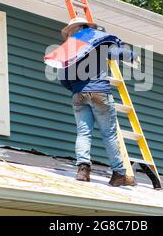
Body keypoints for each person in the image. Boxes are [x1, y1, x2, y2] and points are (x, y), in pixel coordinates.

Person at [58, 17, 140, 187]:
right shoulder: (96, 42)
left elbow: (63, 79)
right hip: (100, 92)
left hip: (78, 94)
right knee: (109, 134)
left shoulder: (68, 50)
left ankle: (83, 169)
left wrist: (77, 88)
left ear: (71, 31)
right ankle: (119, 174)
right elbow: (117, 54)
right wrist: (132, 55)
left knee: (83, 133)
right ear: (87, 28)